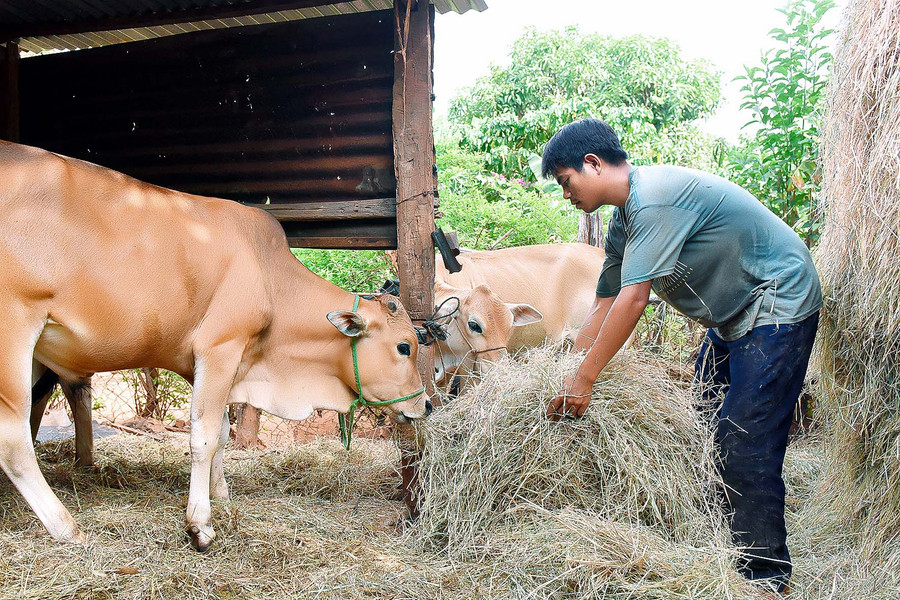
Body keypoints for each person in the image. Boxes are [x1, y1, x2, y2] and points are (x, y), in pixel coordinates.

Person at [542, 118, 821, 594]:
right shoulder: (624, 219)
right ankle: (726, 543)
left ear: (592, 164)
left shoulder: (655, 201)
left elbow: (633, 301)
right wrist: (565, 366)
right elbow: (605, 299)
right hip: (732, 319)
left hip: (778, 300)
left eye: (566, 182)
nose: (565, 194)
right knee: (704, 423)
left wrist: (585, 381)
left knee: (743, 440)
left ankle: (764, 578)